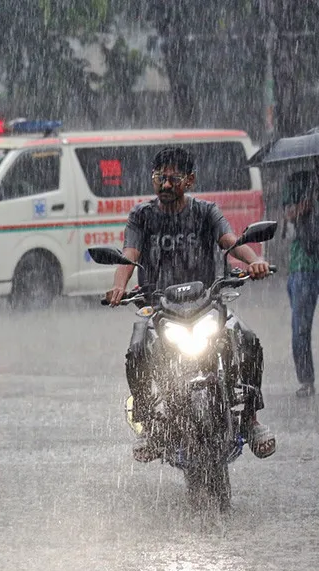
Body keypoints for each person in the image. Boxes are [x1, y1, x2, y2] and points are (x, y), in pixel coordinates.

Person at [105, 146, 276, 461]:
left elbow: (232, 244)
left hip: (207, 304)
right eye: (160, 178)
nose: (166, 185)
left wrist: (255, 262)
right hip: (159, 307)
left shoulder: (206, 212)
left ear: (190, 180)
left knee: (249, 341)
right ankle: (148, 425)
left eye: (173, 178)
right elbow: (129, 254)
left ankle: (251, 420)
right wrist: (119, 287)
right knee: (137, 351)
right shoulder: (141, 216)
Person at [284, 168, 319, 398]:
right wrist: (307, 204)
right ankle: (306, 380)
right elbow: (288, 213)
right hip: (304, 263)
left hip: (305, 267)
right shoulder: (299, 180)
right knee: (301, 328)